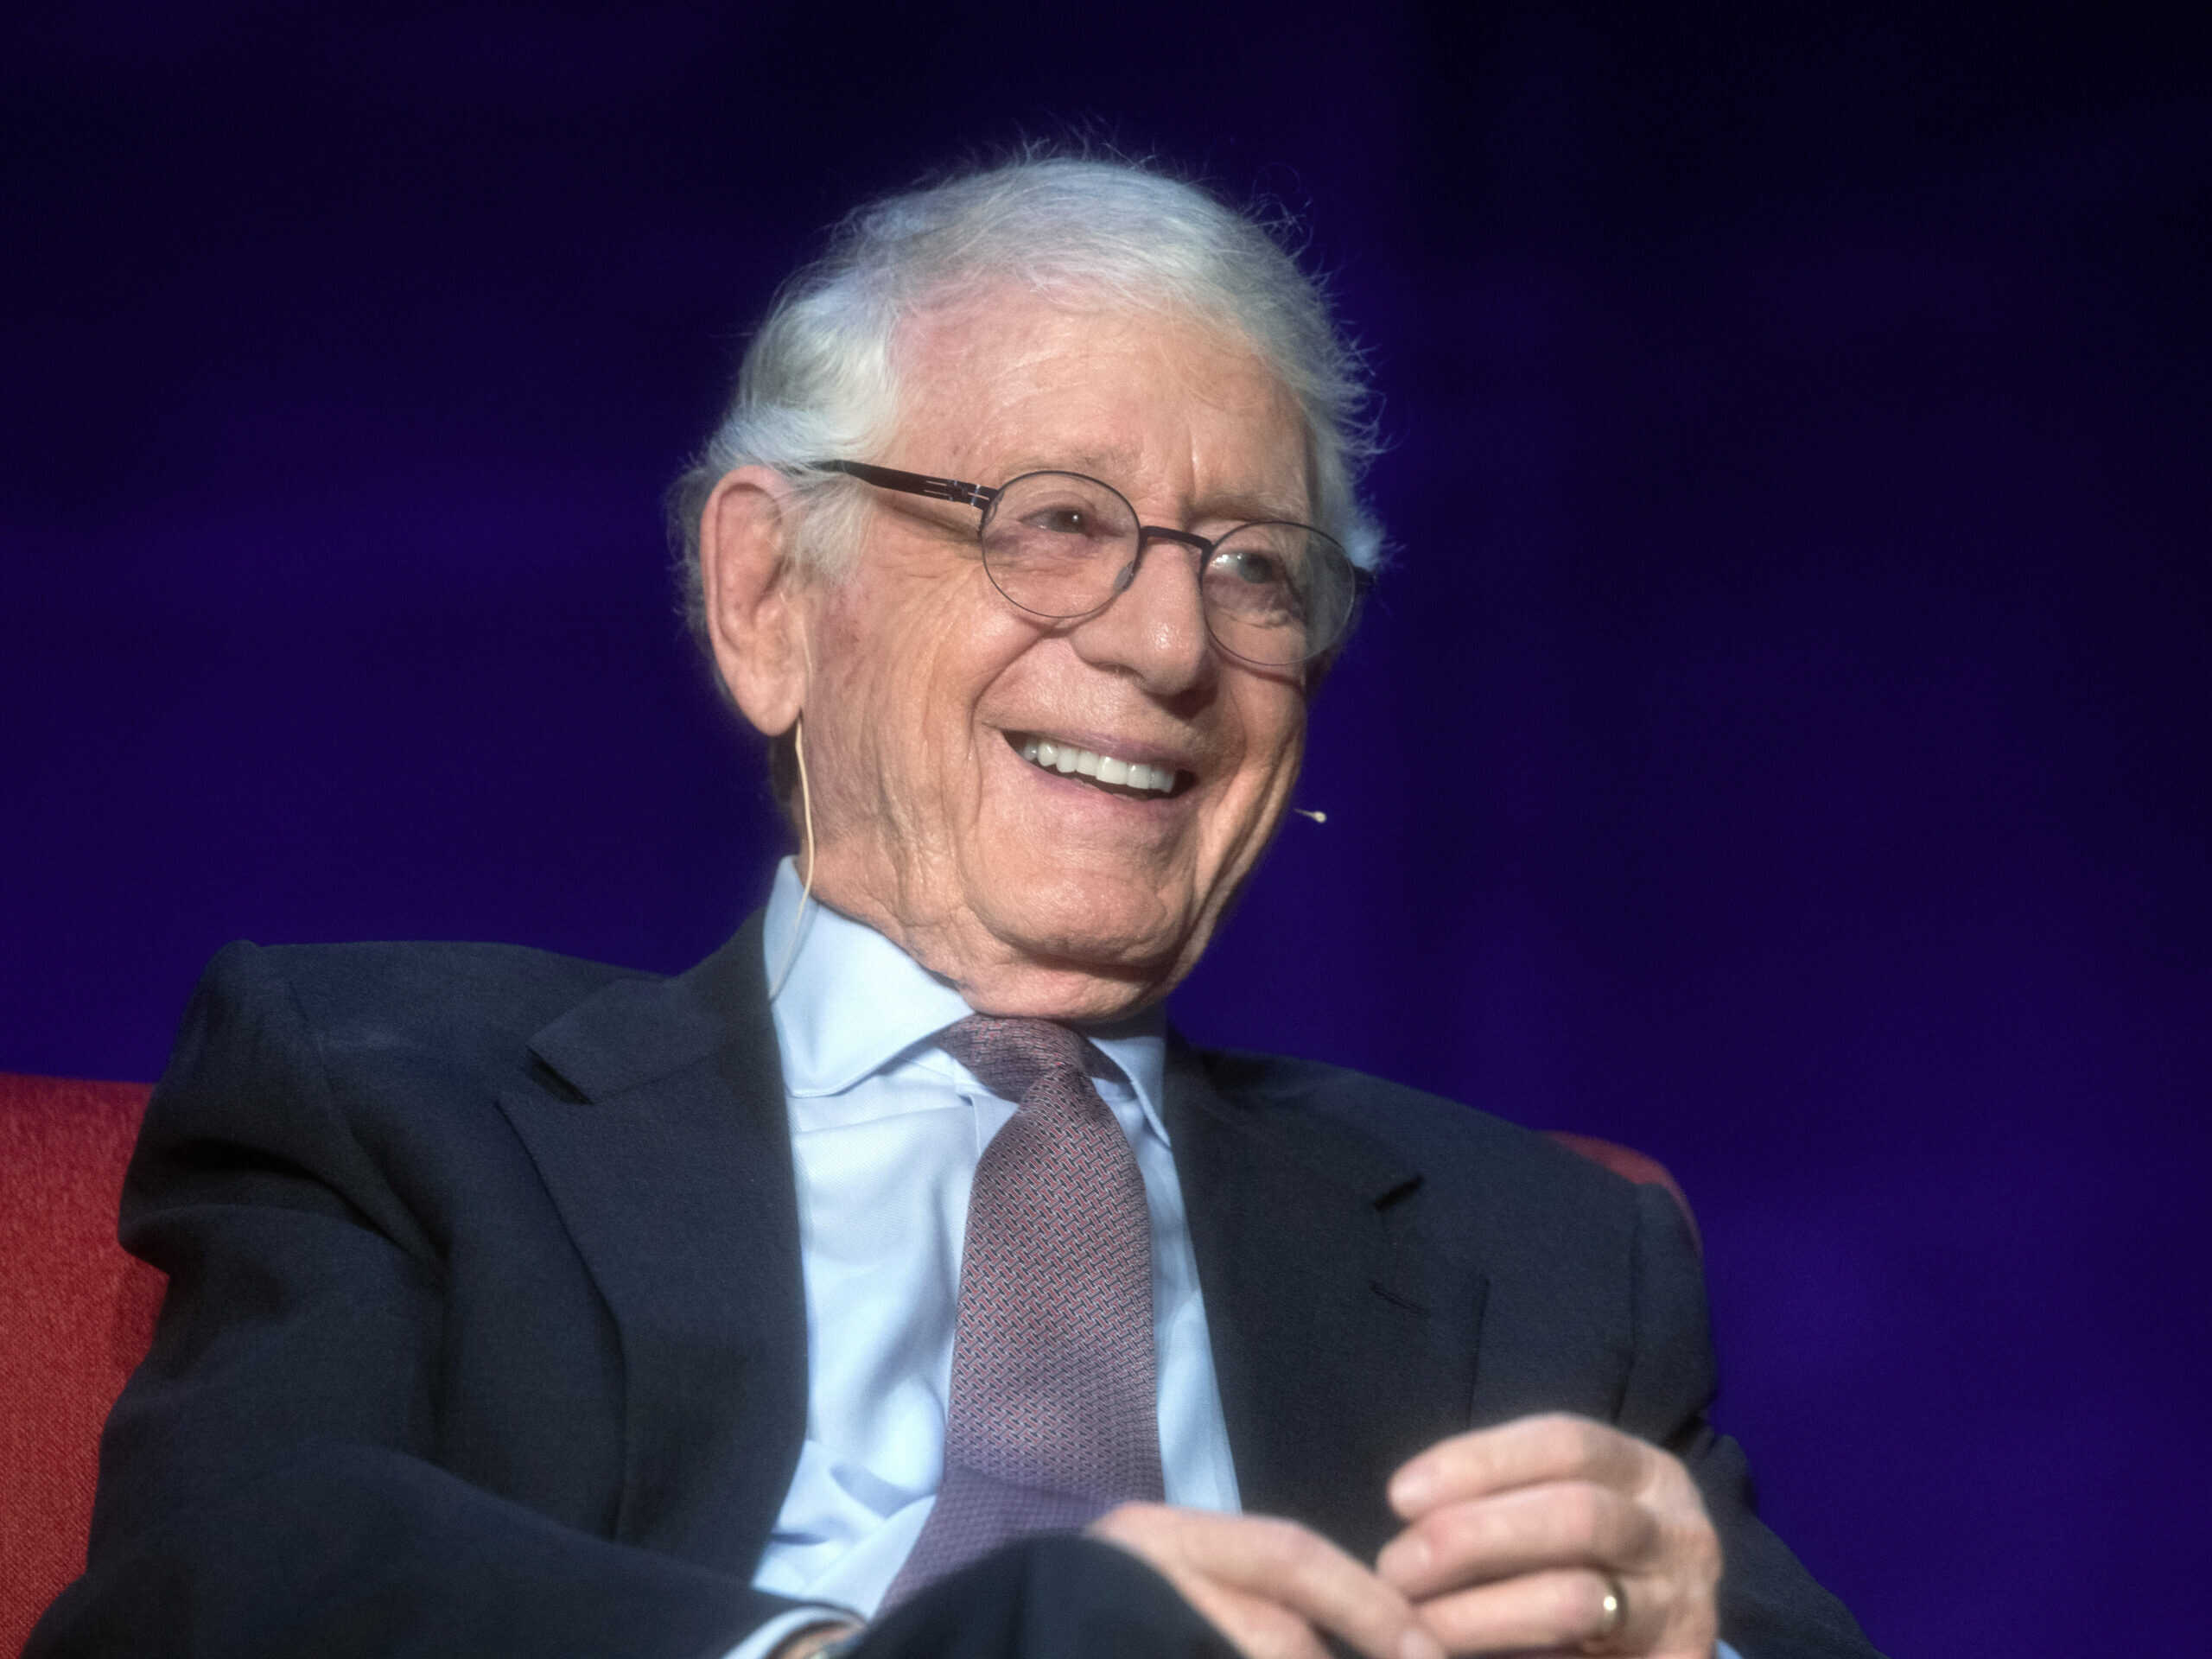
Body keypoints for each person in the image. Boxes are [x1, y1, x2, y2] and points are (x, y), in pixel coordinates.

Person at [30, 156, 1880, 1659]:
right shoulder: (397, 1100)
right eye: (1056, 522)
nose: (1170, 647)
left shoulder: (1545, 1257)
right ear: (769, 597)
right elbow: (227, 1594)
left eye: (1255, 569)